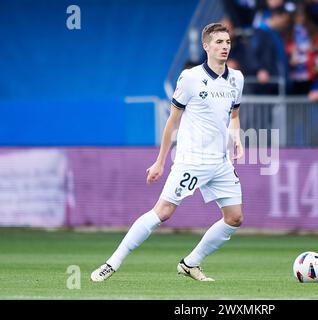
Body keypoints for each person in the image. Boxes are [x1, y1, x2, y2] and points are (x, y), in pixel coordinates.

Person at [90, 23, 245, 282]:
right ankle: (111, 263)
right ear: (206, 46)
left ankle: (190, 263)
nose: (224, 46)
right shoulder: (190, 78)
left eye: (227, 42)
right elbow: (172, 122)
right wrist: (160, 161)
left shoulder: (237, 78)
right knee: (162, 212)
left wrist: (236, 138)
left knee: (235, 217)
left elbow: (235, 115)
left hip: (220, 163)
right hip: (191, 161)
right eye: (218, 42)